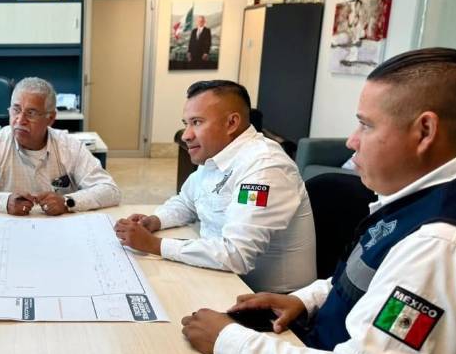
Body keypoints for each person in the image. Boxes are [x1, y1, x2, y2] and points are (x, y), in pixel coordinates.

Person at [180, 48, 456, 354]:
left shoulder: (439, 244)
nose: (351, 141)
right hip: (321, 349)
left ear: (424, 131)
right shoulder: (414, 199)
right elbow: (368, 274)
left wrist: (227, 341)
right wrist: (307, 299)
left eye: (365, 125)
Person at [115, 80, 315, 294]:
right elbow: (186, 202)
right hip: (223, 277)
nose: (186, 135)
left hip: (269, 300)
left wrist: (155, 245)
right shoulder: (216, 156)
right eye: (186, 123)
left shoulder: (265, 169)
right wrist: (156, 220)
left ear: (231, 123)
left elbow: (236, 254)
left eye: (197, 122)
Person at [0, 77, 121, 216]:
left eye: (31, 113)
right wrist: (3, 202)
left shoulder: (69, 146)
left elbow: (110, 190)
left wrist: (67, 202)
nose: (20, 120)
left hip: (59, 231)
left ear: (50, 118)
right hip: (6, 230)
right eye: (16, 110)